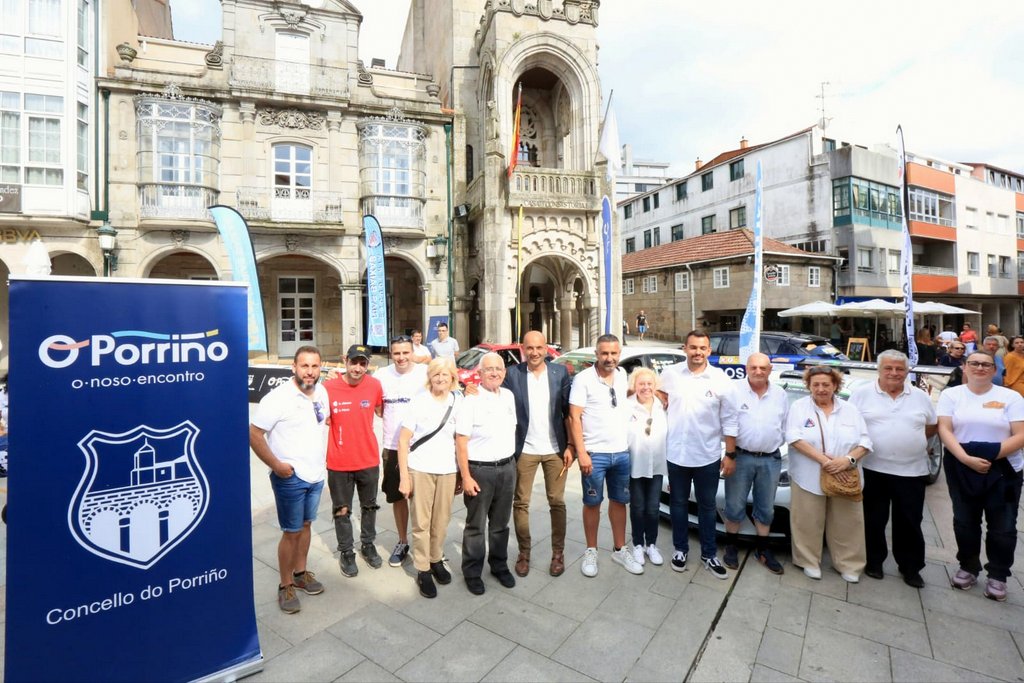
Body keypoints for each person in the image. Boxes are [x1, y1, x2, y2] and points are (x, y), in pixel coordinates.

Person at [937, 350, 1024, 602]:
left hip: (1004, 469)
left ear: (994, 370)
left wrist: (992, 455)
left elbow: (1020, 434)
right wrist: (965, 459)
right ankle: (968, 566)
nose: (980, 368)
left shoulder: (1011, 397)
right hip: (961, 464)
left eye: (986, 364)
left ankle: (998, 574)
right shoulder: (951, 395)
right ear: (964, 367)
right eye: (974, 363)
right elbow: (945, 429)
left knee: (1003, 525)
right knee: (965, 520)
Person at [249, 346, 330, 614]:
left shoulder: (322, 392)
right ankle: (285, 585)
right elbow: (254, 434)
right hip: (290, 477)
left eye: (315, 366)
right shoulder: (277, 398)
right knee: (291, 532)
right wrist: (277, 466)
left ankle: (300, 573)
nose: (310, 371)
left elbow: (321, 424)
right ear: (293, 367)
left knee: (306, 526)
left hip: (315, 475)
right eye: (304, 366)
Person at [849, 350, 937, 588]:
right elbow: (849, 425)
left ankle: (910, 567)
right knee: (873, 519)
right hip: (872, 469)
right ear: (879, 370)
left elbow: (931, 426)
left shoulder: (920, 397)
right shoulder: (861, 395)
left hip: (912, 471)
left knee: (910, 521)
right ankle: (874, 562)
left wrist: (911, 442)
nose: (894, 373)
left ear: (907, 371)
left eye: (899, 369)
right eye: (888, 368)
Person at [658, 330, 736, 578]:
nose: (698, 352)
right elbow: (656, 395)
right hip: (677, 454)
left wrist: (730, 454)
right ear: (685, 348)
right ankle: (680, 550)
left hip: (707, 456)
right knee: (678, 504)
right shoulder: (670, 374)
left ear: (709, 351)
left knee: (707, 507)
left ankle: (709, 554)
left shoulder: (720, 379)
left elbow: (730, 419)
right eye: (693, 347)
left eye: (702, 348)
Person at [784, 366, 872, 582]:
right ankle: (808, 561)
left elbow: (865, 441)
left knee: (848, 522)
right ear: (809, 386)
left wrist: (847, 460)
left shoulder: (850, 410)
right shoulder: (798, 407)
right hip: (807, 476)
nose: (821, 389)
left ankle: (849, 565)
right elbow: (794, 438)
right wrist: (826, 462)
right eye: (816, 384)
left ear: (835, 385)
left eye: (826, 384)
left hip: (845, 476)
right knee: (807, 521)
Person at [568, 334, 643, 577]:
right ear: (596, 354)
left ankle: (620, 549)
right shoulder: (583, 379)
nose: (609, 358)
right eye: (604, 353)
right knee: (592, 503)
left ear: (619, 354)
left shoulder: (622, 375)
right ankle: (591, 550)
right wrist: (581, 453)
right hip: (594, 454)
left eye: (613, 353)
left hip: (621, 453)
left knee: (620, 501)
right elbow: (574, 417)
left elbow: (637, 395)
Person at [503, 330, 574, 577]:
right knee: (521, 502)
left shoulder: (559, 373)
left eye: (539, 348)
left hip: (555, 449)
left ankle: (558, 553)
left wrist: (571, 446)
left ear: (546, 349)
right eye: (529, 348)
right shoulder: (512, 374)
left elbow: (568, 412)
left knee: (557, 501)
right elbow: (494, 396)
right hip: (525, 449)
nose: (534, 353)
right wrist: (471, 391)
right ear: (523, 349)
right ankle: (524, 553)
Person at [398, 357, 462, 599]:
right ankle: (423, 568)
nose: (440, 378)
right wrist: (404, 477)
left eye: (445, 374)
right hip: (421, 468)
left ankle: (436, 559)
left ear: (452, 377)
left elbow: (460, 439)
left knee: (442, 520)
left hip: (447, 469)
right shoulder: (419, 401)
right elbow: (403, 441)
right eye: (436, 374)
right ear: (430, 377)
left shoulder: (458, 401)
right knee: (421, 523)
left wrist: (461, 473)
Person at [720, 353, 789, 575]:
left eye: (763, 368)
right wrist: (730, 455)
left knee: (766, 507)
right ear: (746, 368)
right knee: (734, 504)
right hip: (740, 457)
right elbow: (728, 423)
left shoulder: (780, 394)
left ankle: (763, 550)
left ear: (770, 370)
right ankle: (731, 546)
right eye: (753, 367)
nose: (758, 371)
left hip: (770, 458)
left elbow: (784, 425)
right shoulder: (734, 390)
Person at [456, 352, 518, 595]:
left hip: (507, 467)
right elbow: (461, 441)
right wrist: (466, 476)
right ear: (479, 373)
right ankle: (472, 572)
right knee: (476, 525)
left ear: (504, 372)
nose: (494, 373)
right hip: (480, 470)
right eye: (489, 369)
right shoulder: (470, 400)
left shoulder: (509, 396)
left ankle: (499, 566)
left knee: (501, 524)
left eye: (498, 369)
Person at [322, 345, 384, 578]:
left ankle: (368, 544)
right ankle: (346, 551)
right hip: (339, 462)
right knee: (342, 510)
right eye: (354, 362)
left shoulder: (375, 385)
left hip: (368, 459)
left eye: (363, 363)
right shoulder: (328, 387)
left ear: (368, 365)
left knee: (369, 506)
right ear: (345, 360)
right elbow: (319, 415)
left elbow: (382, 410)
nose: (358, 368)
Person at [377, 335, 429, 567]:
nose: (401, 357)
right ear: (391, 354)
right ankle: (402, 541)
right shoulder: (381, 375)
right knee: (398, 497)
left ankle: (427, 545)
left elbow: (449, 389)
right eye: (396, 353)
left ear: (412, 352)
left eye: (405, 352)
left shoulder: (425, 373)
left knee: (423, 500)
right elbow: (377, 407)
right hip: (392, 446)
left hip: (421, 447)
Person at [626, 367, 667, 567]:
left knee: (653, 508)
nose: (646, 387)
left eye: (649, 383)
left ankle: (651, 544)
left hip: (656, 466)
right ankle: (637, 544)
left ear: (655, 385)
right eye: (641, 383)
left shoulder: (663, 406)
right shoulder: (627, 406)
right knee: (637, 507)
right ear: (634, 385)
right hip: (635, 465)